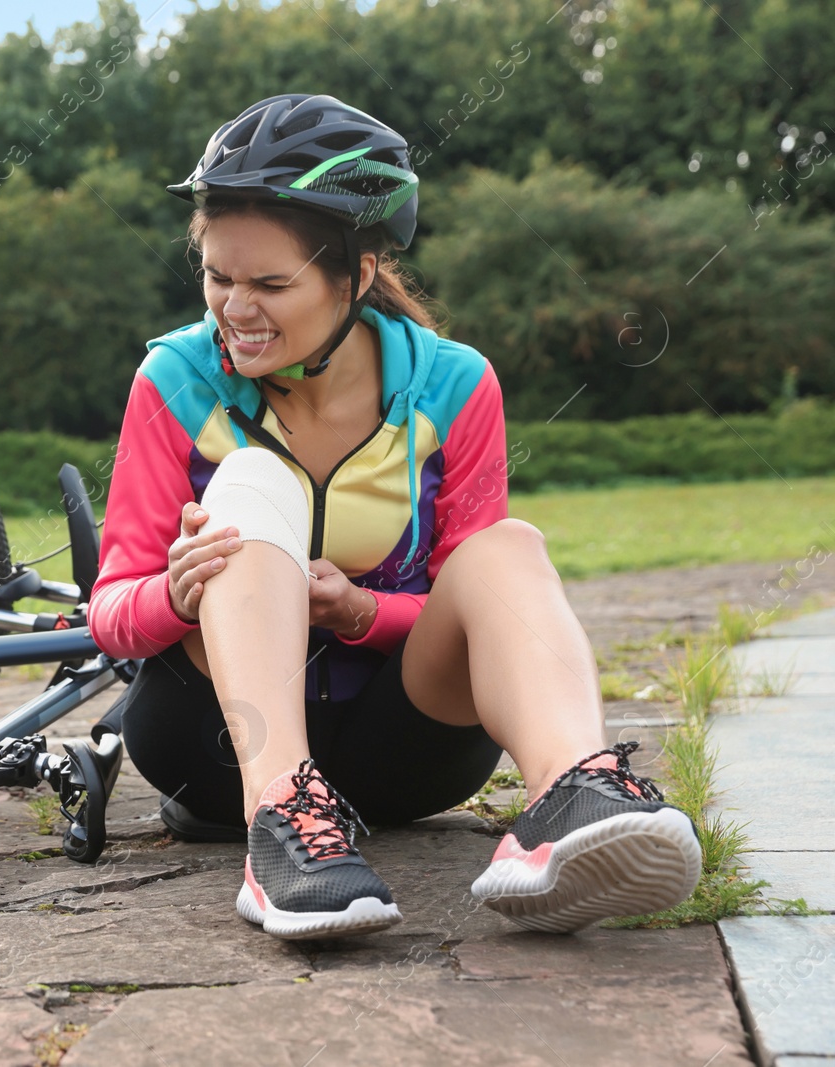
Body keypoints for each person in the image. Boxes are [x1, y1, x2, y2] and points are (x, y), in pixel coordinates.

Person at [86, 93, 703, 940]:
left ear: (359, 274)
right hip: (211, 747)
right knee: (251, 484)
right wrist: (177, 595)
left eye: (270, 283)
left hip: (407, 753)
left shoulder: (456, 386)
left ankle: (570, 797)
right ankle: (282, 832)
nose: (234, 308)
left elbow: (471, 601)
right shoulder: (173, 380)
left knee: (506, 548)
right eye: (217, 276)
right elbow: (111, 612)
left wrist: (363, 611)